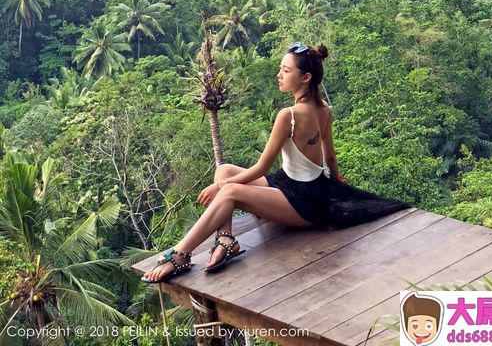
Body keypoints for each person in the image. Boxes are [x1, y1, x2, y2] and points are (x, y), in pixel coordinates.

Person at [142, 42, 410, 282]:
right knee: (224, 168)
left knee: (229, 189)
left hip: (304, 203)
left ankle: (179, 255)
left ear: (305, 78)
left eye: (285, 70)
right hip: (297, 186)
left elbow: (260, 168)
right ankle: (225, 239)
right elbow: (330, 158)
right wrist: (337, 186)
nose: (278, 75)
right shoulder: (324, 109)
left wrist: (220, 186)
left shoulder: (289, 115)